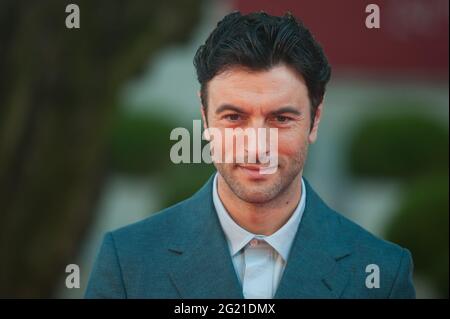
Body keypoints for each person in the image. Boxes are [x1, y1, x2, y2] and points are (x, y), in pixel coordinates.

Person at [85, 11, 415, 299]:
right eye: (234, 117)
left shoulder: (382, 273)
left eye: (281, 119)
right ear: (206, 120)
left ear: (314, 121)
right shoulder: (128, 262)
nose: (256, 146)